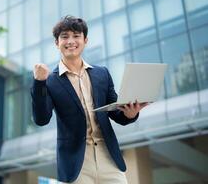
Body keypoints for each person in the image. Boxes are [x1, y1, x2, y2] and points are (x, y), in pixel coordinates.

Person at [31, 16, 148, 184]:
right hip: (76, 164)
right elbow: (41, 119)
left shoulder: (102, 74)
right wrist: (39, 82)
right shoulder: (49, 80)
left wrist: (130, 114)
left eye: (76, 36)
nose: (70, 41)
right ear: (57, 43)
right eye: (64, 36)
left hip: (109, 158)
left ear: (85, 40)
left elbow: (115, 112)